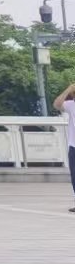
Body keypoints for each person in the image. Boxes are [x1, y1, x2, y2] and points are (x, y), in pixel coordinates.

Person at [55, 83, 75, 213]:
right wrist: (68, 89)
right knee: (74, 176)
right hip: (74, 146)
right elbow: (57, 104)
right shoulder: (71, 105)